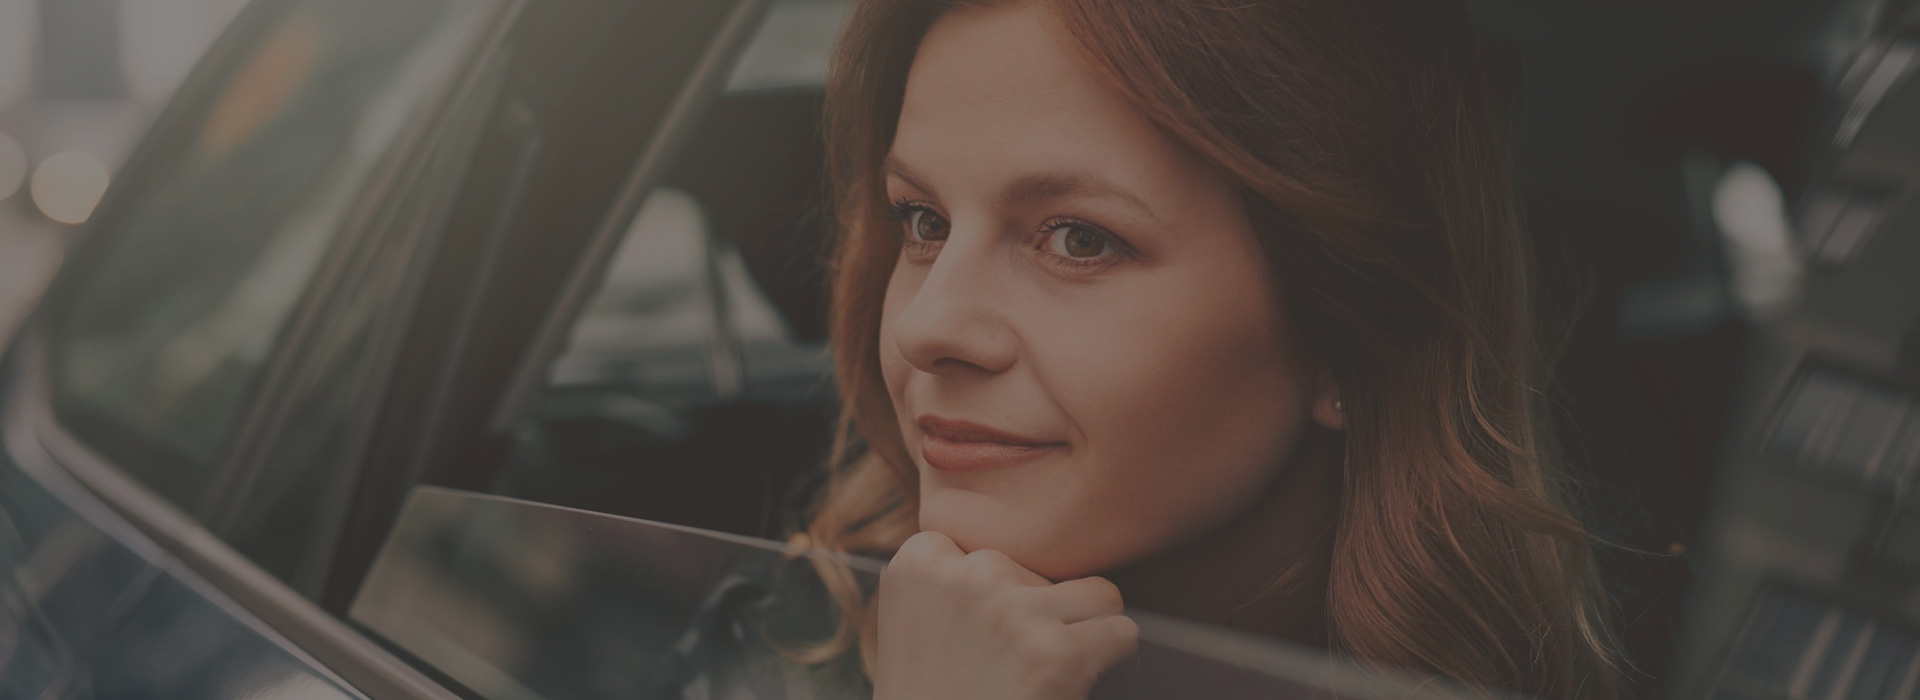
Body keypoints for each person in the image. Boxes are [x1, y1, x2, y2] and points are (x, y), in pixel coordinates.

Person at [796, 0, 1624, 697]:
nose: (926, 327)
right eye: (924, 223)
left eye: (1080, 240)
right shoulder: (772, 636)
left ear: (1346, 331)